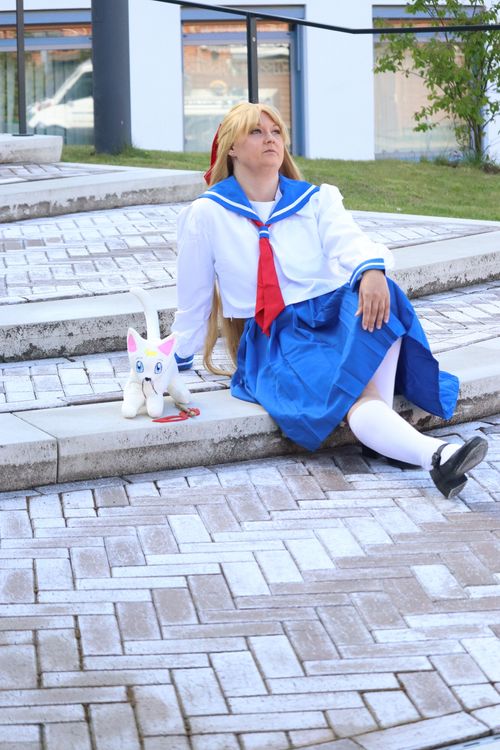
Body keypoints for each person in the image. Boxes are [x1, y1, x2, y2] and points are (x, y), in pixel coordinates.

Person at [172, 101, 488, 498]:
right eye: (256, 131)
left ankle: (386, 434)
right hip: (277, 337)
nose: (270, 139)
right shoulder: (206, 214)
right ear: (230, 147)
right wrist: (170, 359)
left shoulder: (314, 200)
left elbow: (350, 241)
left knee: (382, 288)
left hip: (330, 314)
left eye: (276, 132)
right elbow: (195, 301)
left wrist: (371, 270)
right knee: (360, 398)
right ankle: (437, 455)